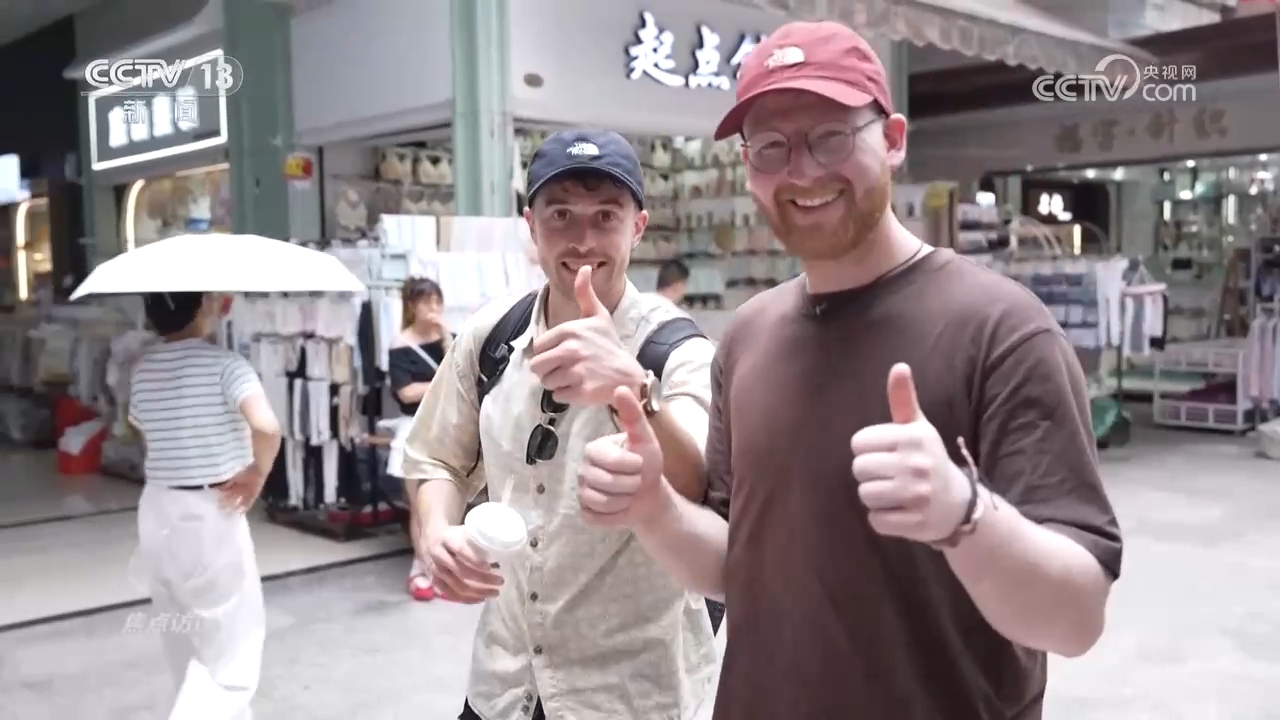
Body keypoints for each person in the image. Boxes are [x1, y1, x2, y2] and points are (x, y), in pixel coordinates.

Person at [576, 21, 1122, 720]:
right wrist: (652, 508)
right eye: (771, 148)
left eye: (830, 137)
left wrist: (964, 516)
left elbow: (1076, 618)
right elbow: (736, 567)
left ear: (892, 139)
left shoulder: (1003, 332)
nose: (801, 172)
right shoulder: (748, 336)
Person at [401, 129, 718, 720]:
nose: (583, 239)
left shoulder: (678, 352)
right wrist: (436, 532)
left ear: (638, 227)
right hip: (503, 684)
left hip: (628, 692)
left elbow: (698, 484)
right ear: (531, 225)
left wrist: (632, 389)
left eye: (606, 216)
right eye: (561, 214)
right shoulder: (491, 337)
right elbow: (435, 457)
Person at [128, 292, 281, 720]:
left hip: (158, 507)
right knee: (231, 646)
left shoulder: (142, 370)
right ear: (201, 307)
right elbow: (267, 427)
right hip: (209, 510)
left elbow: (148, 435)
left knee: (181, 632)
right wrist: (257, 472)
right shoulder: (228, 366)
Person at [386, 277, 452, 602]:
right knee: (421, 506)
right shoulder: (401, 345)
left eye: (437, 301)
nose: (433, 308)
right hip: (414, 431)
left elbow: (463, 373)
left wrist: (446, 336)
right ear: (412, 305)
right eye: (427, 302)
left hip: (447, 429)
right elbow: (406, 393)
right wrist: (440, 383)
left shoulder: (447, 338)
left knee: (448, 504)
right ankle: (421, 567)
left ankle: (445, 570)